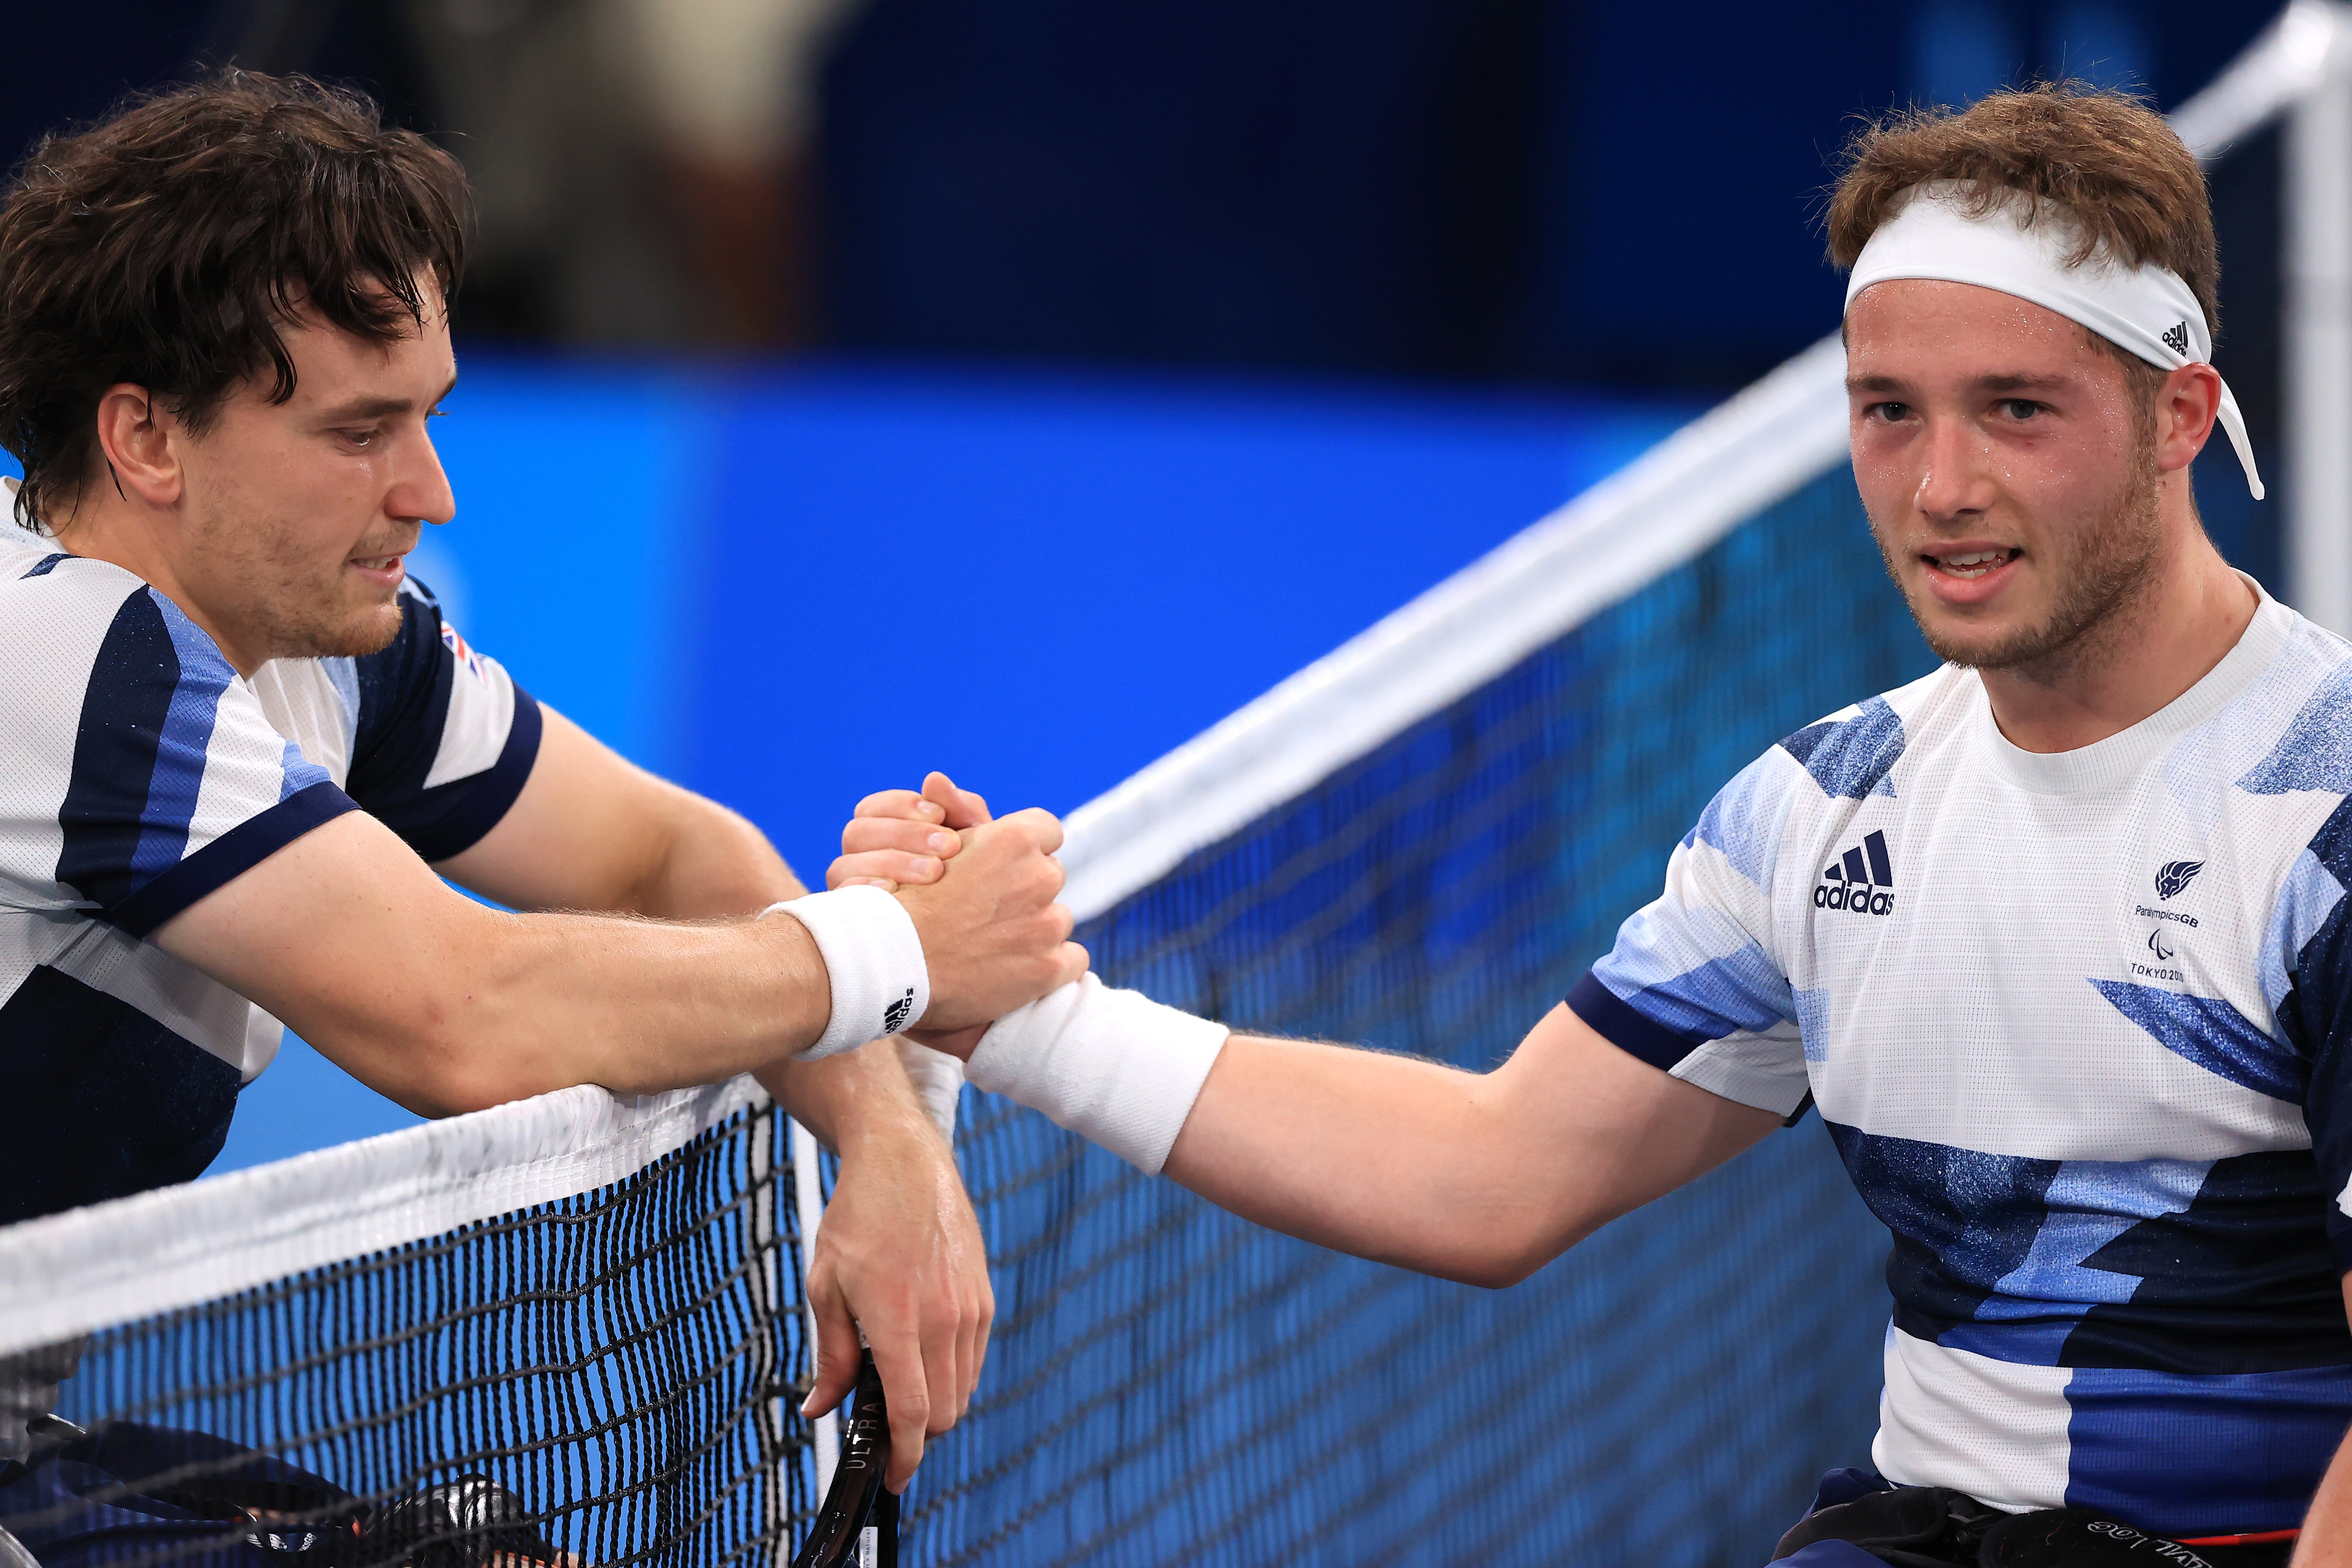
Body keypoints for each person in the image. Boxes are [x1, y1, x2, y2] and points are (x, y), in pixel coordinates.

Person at [837, 86, 2352, 1564]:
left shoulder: (2322, 822)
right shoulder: (1825, 814)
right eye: (1890, 411)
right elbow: (1492, 1174)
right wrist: (1026, 1013)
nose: (1941, 487)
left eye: (2017, 410)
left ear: (2179, 415)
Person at [0, 71, 1086, 1491]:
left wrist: (884, 1143)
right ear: (145, 439)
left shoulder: (340, 658)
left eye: (429, 415)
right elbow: (467, 1014)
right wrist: (898, 952)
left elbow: (665, 860)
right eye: (355, 432)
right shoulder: (56, 651)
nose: (430, 491)